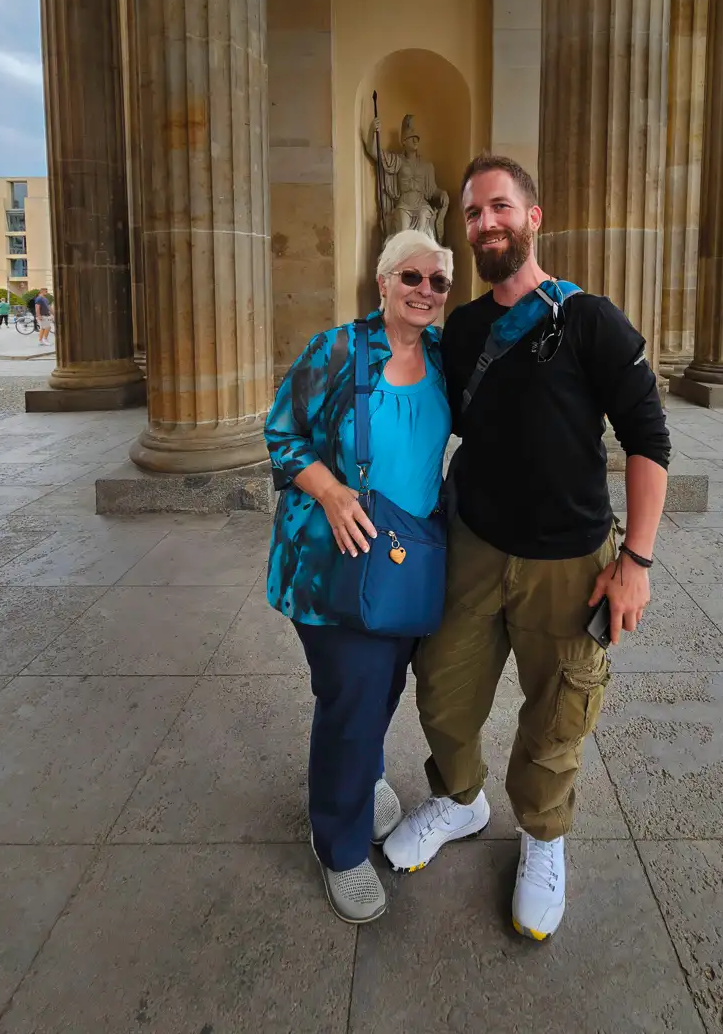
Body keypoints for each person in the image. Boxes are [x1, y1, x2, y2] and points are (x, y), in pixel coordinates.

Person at [383, 154, 670, 940]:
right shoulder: (465, 328)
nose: (486, 224)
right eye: (473, 214)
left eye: (500, 208)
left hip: (570, 562)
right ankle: (461, 798)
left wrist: (635, 563)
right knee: (441, 687)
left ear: (533, 218)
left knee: (558, 712)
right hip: (473, 544)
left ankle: (543, 837)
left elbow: (649, 440)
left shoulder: (591, 321)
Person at [265, 228, 453, 925]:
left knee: (378, 688)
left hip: (408, 560)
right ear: (382, 281)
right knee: (353, 700)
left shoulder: (442, 356)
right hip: (333, 565)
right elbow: (281, 433)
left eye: (437, 282)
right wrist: (333, 491)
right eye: (411, 277)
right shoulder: (339, 349)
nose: (424, 292)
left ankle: (362, 772)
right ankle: (339, 845)